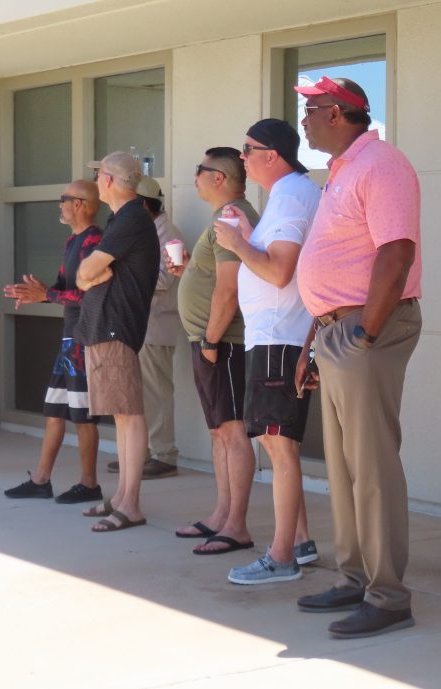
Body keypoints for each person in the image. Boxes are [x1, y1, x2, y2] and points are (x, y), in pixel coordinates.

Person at [292, 76, 422, 638]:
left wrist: (364, 334)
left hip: (366, 328)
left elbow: (397, 252)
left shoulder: (382, 164)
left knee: (371, 465)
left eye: (312, 109)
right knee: (343, 467)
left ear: (341, 114)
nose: (305, 119)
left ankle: (388, 595)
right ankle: (353, 578)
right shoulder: (342, 171)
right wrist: (314, 342)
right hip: (335, 331)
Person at [213, 119, 321, 584]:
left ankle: (281, 558)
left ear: (272, 155)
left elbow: (279, 272)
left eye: (248, 149)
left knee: (279, 447)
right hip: (275, 336)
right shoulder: (287, 195)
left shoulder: (293, 195)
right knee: (279, 446)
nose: (242, 157)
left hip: (280, 337)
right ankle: (299, 543)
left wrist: (237, 243)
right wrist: (245, 235)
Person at [170, 147, 260, 555]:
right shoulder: (224, 218)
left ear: (219, 177)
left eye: (199, 171)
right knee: (219, 431)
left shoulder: (231, 216)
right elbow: (216, 275)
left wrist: (210, 339)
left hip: (225, 342)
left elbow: (230, 286)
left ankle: (236, 525)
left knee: (233, 430)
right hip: (212, 341)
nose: (195, 179)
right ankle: (220, 516)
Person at [3, 180, 103, 504]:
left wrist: (46, 294)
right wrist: (39, 294)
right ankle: (41, 480)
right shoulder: (73, 240)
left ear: (80, 204)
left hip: (83, 338)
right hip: (69, 339)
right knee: (54, 410)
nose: (59, 205)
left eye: (64, 200)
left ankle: (90, 485)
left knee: (82, 414)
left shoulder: (94, 241)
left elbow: (88, 293)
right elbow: (64, 289)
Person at [77, 151, 160, 532]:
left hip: (116, 328)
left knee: (128, 414)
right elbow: (85, 276)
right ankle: (123, 498)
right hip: (106, 327)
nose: (96, 182)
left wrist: (90, 275)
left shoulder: (130, 218)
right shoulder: (122, 219)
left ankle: (131, 504)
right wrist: (89, 276)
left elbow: (88, 270)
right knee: (122, 416)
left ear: (109, 180)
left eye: (98, 176)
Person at [106, 176, 183, 480]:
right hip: (135, 324)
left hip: (155, 325)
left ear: (141, 203)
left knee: (156, 393)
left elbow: (165, 279)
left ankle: (164, 456)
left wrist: (120, 273)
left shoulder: (168, 232)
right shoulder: (145, 228)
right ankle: (144, 453)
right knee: (136, 395)